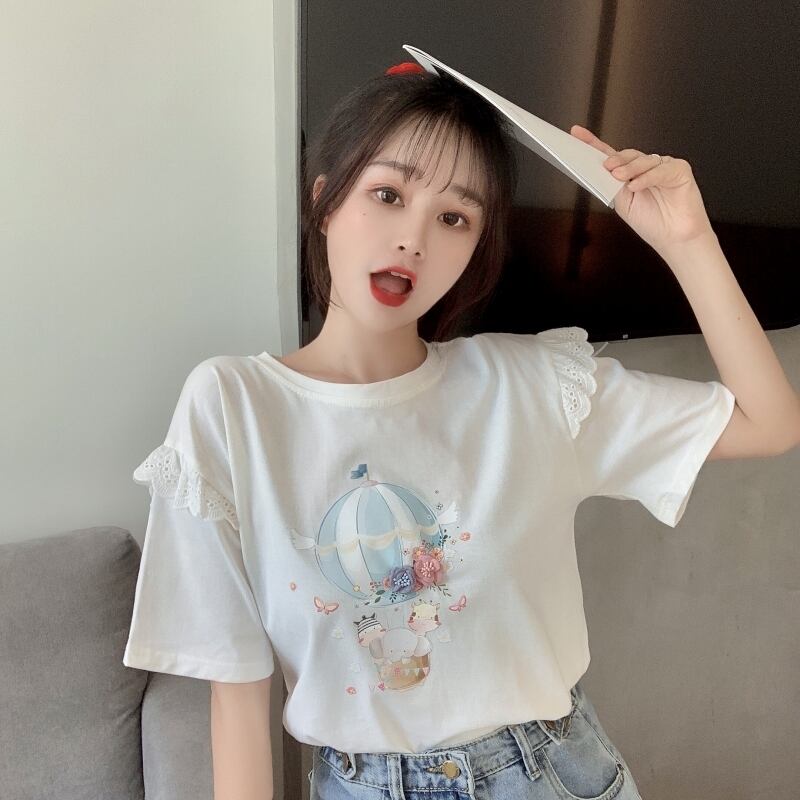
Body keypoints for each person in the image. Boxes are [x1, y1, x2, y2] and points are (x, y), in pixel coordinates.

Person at [122, 59, 800, 800]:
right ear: (323, 202)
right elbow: (237, 695)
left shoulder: (531, 386)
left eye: (454, 218)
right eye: (388, 194)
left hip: (550, 776)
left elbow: (769, 423)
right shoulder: (231, 407)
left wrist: (688, 240)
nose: (413, 239)